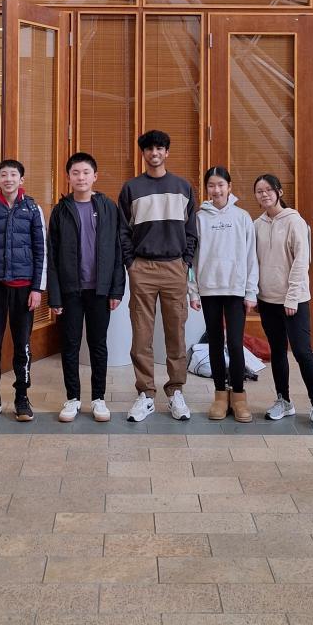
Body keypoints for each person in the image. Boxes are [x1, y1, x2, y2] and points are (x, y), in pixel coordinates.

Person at [118, 130, 197, 422]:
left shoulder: (183, 187)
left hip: (175, 267)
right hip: (143, 267)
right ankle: (146, 394)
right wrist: (131, 263)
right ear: (143, 153)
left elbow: (191, 231)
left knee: (176, 333)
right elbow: (123, 231)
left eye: (160, 148)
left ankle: (176, 391)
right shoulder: (131, 188)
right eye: (149, 148)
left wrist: (185, 262)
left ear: (167, 152)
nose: (155, 153)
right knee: (141, 334)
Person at [47, 152, 126, 423]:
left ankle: (98, 398)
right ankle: (72, 398)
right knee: (69, 345)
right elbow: (52, 256)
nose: (81, 177)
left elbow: (117, 250)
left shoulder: (108, 207)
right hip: (70, 290)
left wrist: (116, 290)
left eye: (85, 172)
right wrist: (54, 295)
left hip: (100, 290)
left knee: (98, 345)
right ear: (68, 177)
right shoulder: (61, 210)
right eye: (75, 173)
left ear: (95, 176)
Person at [0, 159, 46, 423]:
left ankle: (22, 396)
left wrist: (37, 288)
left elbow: (41, 251)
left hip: (24, 289)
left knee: (22, 344)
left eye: (13, 174)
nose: (9, 179)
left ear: (21, 180)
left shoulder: (33, 208)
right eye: (4, 175)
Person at [253, 173, 313, 430]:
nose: (264, 194)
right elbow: (254, 262)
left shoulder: (295, 221)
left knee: (302, 351)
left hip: (294, 301)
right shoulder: (257, 225)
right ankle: (283, 400)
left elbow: (301, 262)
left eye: (268, 189)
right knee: (277, 351)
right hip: (267, 300)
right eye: (259, 191)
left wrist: (292, 298)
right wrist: (255, 293)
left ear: (279, 192)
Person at [189, 166, 257, 422]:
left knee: (235, 344)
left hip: (236, 290)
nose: (216, 190)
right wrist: (193, 291)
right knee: (215, 343)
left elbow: (251, 257)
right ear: (206, 188)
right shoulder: (199, 218)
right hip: (209, 290)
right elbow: (192, 260)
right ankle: (220, 396)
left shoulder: (242, 217)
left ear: (229, 187)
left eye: (220, 185)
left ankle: (239, 397)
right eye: (211, 185)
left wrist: (251, 292)